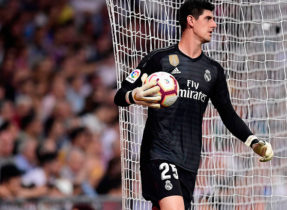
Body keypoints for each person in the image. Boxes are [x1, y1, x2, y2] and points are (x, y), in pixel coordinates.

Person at [114, 0, 274, 209]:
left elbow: (228, 114)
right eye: (208, 18)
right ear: (190, 21)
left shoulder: (213, 70)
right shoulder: (159, 60)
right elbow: (120, 95)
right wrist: (134, 96)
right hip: (159, 153)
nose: (214, 24)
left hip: (189, 160)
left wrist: (254, 142)